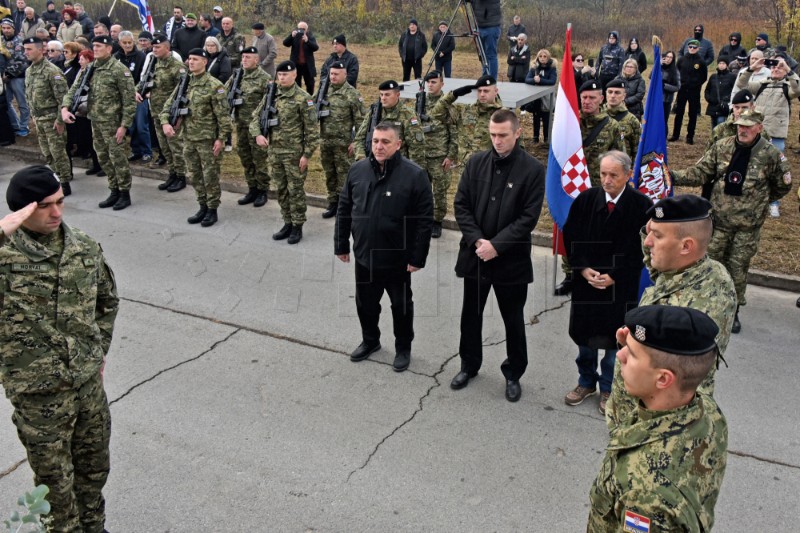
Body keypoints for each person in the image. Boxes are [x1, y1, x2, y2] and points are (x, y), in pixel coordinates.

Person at [0, 165, 119, 533]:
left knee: (93, 471)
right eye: (45, 206)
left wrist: (96, 352)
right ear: (21, 210)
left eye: (60, 202)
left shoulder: (82, 247)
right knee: (55, 487)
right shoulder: (4, 259)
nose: (56, 213)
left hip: (87, 389)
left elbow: (106, 302)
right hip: (40, 398)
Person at [588, 305, 727, 532]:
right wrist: (630, 347)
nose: (620, 355)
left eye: (630, 354)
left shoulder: (645, 497)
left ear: (663, 379)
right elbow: (625, 411)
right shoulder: (706, 409)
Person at [604, 195, 737, 430]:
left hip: (649, 432)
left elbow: (682, 392)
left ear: (686, 246)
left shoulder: (701, 307)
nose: (648, 242)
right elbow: (657, 269)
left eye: (658, 236)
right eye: (649, 233)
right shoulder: (684, 269)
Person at [449, 109, 545, 401]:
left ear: (517, 133)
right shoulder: (476, 162)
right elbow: (461, 204)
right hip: (476, 256)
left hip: (510, 262)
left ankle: (513, 373)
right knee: (470, 316)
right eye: (493, 135)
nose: (497, 141)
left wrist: (497, 245)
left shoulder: (532, 170)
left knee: (513, 319)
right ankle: (469, 365)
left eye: (503, 135)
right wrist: (478, 240)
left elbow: (528, 218)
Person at [673, 110, 791, 333]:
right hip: (719, 223)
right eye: (739, 125)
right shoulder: (723, 146)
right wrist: (673, 175)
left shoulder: (770, 154)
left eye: (748, 126)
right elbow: (701, 172)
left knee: (737, 271)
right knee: (710, 266)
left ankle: (732, 312)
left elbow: (783, 185)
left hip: (747, 228)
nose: (742, 130)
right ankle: (704, 308)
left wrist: (761, 201)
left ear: (759, 128)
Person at [335, 122, 433, 372]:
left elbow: (423, 221)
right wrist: (341, 243)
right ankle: (370, 341)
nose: (379, 146)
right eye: (375, 141)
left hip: (397, 260)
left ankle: (403, 348)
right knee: (365, 305)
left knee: (401, 307)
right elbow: (344, 208)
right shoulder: (357, 171)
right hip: (365, 256)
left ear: (398, 144)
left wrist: (417, 257)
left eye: (385, 142)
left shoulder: (415, 175)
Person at [562, 151, 652, 413]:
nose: (607, 180)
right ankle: (585, 381)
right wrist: (582, 268)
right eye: (603, 174)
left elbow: (641, 248)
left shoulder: (640, 205)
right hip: (587, 283)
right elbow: (571, 235)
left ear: (627, 175)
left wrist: (615, 274)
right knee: (586, 338)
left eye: (613, 175)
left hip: (619, 285)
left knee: (616, 341)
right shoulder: (587, 199)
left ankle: (608, 388)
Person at [554, 80, 622, 297]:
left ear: (601, 99)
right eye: (584, 97)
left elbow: (620, 159)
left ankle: (594, 272)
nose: (588, 101)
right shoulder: (570, 122)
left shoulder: (612, 126)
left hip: (599, 191)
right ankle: (570, 274)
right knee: (570, 231)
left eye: (592, 97)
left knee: (596, 234)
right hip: (572, 189)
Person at [61, 35, 136, 210]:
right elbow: (72, 91)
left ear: (109, 49)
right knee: (103, 158)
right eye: (93, 46)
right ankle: (114, 190)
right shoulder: (89, 69)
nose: (94, 49)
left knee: (118, 159)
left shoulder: (119, 70)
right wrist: (65, 107)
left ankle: (124, 193)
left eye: (99, 46)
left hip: (114, 124)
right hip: (95, 122)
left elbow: (129, 101)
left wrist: (124, 126)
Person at [160, 48, 231, 227]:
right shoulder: (185, 82)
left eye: (195, 59)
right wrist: (165, 122)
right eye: (189, 59)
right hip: (188, 138)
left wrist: (221, 139)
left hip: (207, 140)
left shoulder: (215, 86)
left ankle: (212, 209)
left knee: (210, 176)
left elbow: (224, 118)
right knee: (195, 175)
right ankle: (202, 205)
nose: (191, 62)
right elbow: (168, 105)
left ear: (205, 62)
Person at [251, 60, 319, 244]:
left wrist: (306, 155)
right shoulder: (271, 96)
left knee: (295, 191)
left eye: (286, 75)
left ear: (295, 75)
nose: (282, 78)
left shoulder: (304, 99)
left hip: (294, 155)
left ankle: (297, 226)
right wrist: (257, 134)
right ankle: (287, 222)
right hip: (274, 153)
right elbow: (255, 118)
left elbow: (312, 131)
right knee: (281, 189)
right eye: (279, 75)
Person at [735, 53, 800, 218]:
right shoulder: (762, 85)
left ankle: (774, 203)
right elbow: (741, 84)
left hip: (777, 134)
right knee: (752, 165)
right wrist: (752, 68)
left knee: (774, 169)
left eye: (779, 67)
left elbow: (798, 89)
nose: (776, 69)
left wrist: (789, 70)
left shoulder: (787, 87)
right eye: (773, 66)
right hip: (758, 132)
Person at [315, 60, 365, 218]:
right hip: (325, 142)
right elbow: (312, 107)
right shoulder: (324, 90)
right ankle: (332, 203)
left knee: (344, 176)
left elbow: (361, 122)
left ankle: (345, 206)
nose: (333, 77)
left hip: (344, 145)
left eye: (336, 74)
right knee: (330, 174)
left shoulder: (352, 94)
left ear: (345, 75)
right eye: (331, 74)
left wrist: (356, 142)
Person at [23, 37, 73, 195]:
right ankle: (56, 177)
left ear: (40, 50)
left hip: (52, 119)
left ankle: (64, 182)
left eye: (29, 49)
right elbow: (29, 95)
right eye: (25, 49)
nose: (26, 52)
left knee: (58, 152)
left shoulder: (52, 71)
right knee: (48, 153)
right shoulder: (29, 70)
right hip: (39, 119)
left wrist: (59, 120)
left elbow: (63, 99)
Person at [227, 46, 271, 208]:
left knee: (259, 159)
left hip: (257, 128)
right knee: (245, 157)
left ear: (256, 60)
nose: (244, 60)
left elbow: (270, 103)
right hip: (241, 125)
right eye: (243, 57)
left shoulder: (264, 79)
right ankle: (252, 188)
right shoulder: (237, 76)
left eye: (248, 57)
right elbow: (225, 93)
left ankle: (262, 190)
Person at [143, 33, 187, 192]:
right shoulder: (154, 63)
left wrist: (179, 116)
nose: (154, 49)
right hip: (156, 112)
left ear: (167, 48)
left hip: (171, 115)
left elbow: (183, 92)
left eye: (157, 47)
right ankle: (172, 174)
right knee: (164, 147)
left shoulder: (177, 67)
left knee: (175, 146)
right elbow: (145, 81)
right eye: (153, 47)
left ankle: (181, 176)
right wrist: (138, 91)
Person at [429, 75, 504, 165]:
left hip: (489, 170)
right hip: (465, 170)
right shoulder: (465, 111)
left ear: (496, 91)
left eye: (486, 91)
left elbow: (516, 148)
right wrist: (453, 95)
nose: (482, 94)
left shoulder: (504, 115)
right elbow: (436, 114)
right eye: (479, 91)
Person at [419, 70, 457, 238]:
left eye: (434, 82)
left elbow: (454, 133)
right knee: (422, 190)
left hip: (440, 156)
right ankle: (424, 218)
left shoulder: (447, 105)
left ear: (442, 84)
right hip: (422, 155)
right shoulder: (421, 102)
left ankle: (437, 221)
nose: (430, 85)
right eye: (428, 82)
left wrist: (450, 156)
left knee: (439, 191)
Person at [354, 79, 425, 163]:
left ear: (397, 95)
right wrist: (362, 159)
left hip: (398, 166)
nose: (383, 98)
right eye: (381, 95)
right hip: (374, 164)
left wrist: (411, 171)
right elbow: (359, 139)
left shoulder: (408, 115)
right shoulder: (374, 113)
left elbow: (416, 147)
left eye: (387, 95)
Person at [115, 30, 151, 164]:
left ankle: (147, 151)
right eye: (124, 43)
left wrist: (137, 91)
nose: (128, 45)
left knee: (141, 125)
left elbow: (144, 77)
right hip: (124, 97)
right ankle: (136, 151)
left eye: (130, 42)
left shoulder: (141, 56)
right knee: (131, 126)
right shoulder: (116, 57)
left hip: (139, 96)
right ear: (120, 43)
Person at [669, 39, 707, 145]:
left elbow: (704, 77)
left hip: (694, 91)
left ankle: (690, 136)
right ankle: (675, 135)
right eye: (690, 47)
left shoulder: (701, 62)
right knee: (679, 112)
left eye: (694, 47)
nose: (692, 49)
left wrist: (695, 84)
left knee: (692, 114)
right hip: (682, 90)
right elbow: (676, 74)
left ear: (698, 48)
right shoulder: (681, 60)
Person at [1, 17, 29, 137]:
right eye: (3, 28)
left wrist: (8, 74)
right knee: (6, 103)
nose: (6, 30)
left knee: (22, 102)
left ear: (13, 28)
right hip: (3, 77)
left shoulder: (19, 41)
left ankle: (24, 127)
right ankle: (15, 124)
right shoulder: (1, 40)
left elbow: (22, 60)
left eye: (8, 28)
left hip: (18, 76)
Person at [524, 49, 557, 143]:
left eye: (545, 56)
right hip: (536, 98)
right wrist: (534, 80)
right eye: (540, 56)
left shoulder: (552, 68)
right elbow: (527, 79)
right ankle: (535, 137)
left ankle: (547, 137)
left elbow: (552, 81)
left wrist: (541, 80)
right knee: (536, 117)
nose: (542, 58)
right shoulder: (534, 67)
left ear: (548, 58)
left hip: (547, 97)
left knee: (546, 118)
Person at [604, 79, 641, 159]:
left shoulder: (632, 120)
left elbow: (637, 150)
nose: (613, 96)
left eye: (617, 93)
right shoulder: (597, 116)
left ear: (624, 96)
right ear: (605, 94)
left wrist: (633, 170)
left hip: (621, 166)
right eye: (610, 92)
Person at [282, 21, 318, 93]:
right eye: (300, 29)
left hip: (307, 65)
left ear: (307, 30)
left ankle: (310, 101)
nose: (301, 31)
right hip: (296, 64)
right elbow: (285, 43)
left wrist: (307, 41)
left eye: (303, 29)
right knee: (296, 84)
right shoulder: (294, 36)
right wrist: (291, 36)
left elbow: (315, 47)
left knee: (310, 84)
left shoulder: (310, 36)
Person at [473, 0, 502, 78]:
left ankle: (491, 80)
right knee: (483, 55)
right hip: (480, 26)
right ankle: (485, 78)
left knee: (491, 55)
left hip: (492, 26)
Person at [705, 56, 735, 129]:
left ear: (727, 65)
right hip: (713, 106)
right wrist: (709, 98)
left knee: (720, 125)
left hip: (723, 106)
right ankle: (714, 140)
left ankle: (719, 140)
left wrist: (727, 100)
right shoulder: (713, 76)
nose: (721, 65)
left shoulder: (732, 77)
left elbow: (734, 91)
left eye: (723, 63)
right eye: (720, 63)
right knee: (713, 125)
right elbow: (707, 89)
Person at [657, 50, 680, 137]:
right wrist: (658, 65)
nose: (669, 59)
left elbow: (677, 87)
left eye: (671, 57)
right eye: (667, 56)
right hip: (657, 98)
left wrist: (665, 86)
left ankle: (663, 138)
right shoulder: (659, 67)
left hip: (666, 99)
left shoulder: (675, 71)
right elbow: (651, 76)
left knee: (663, 120)